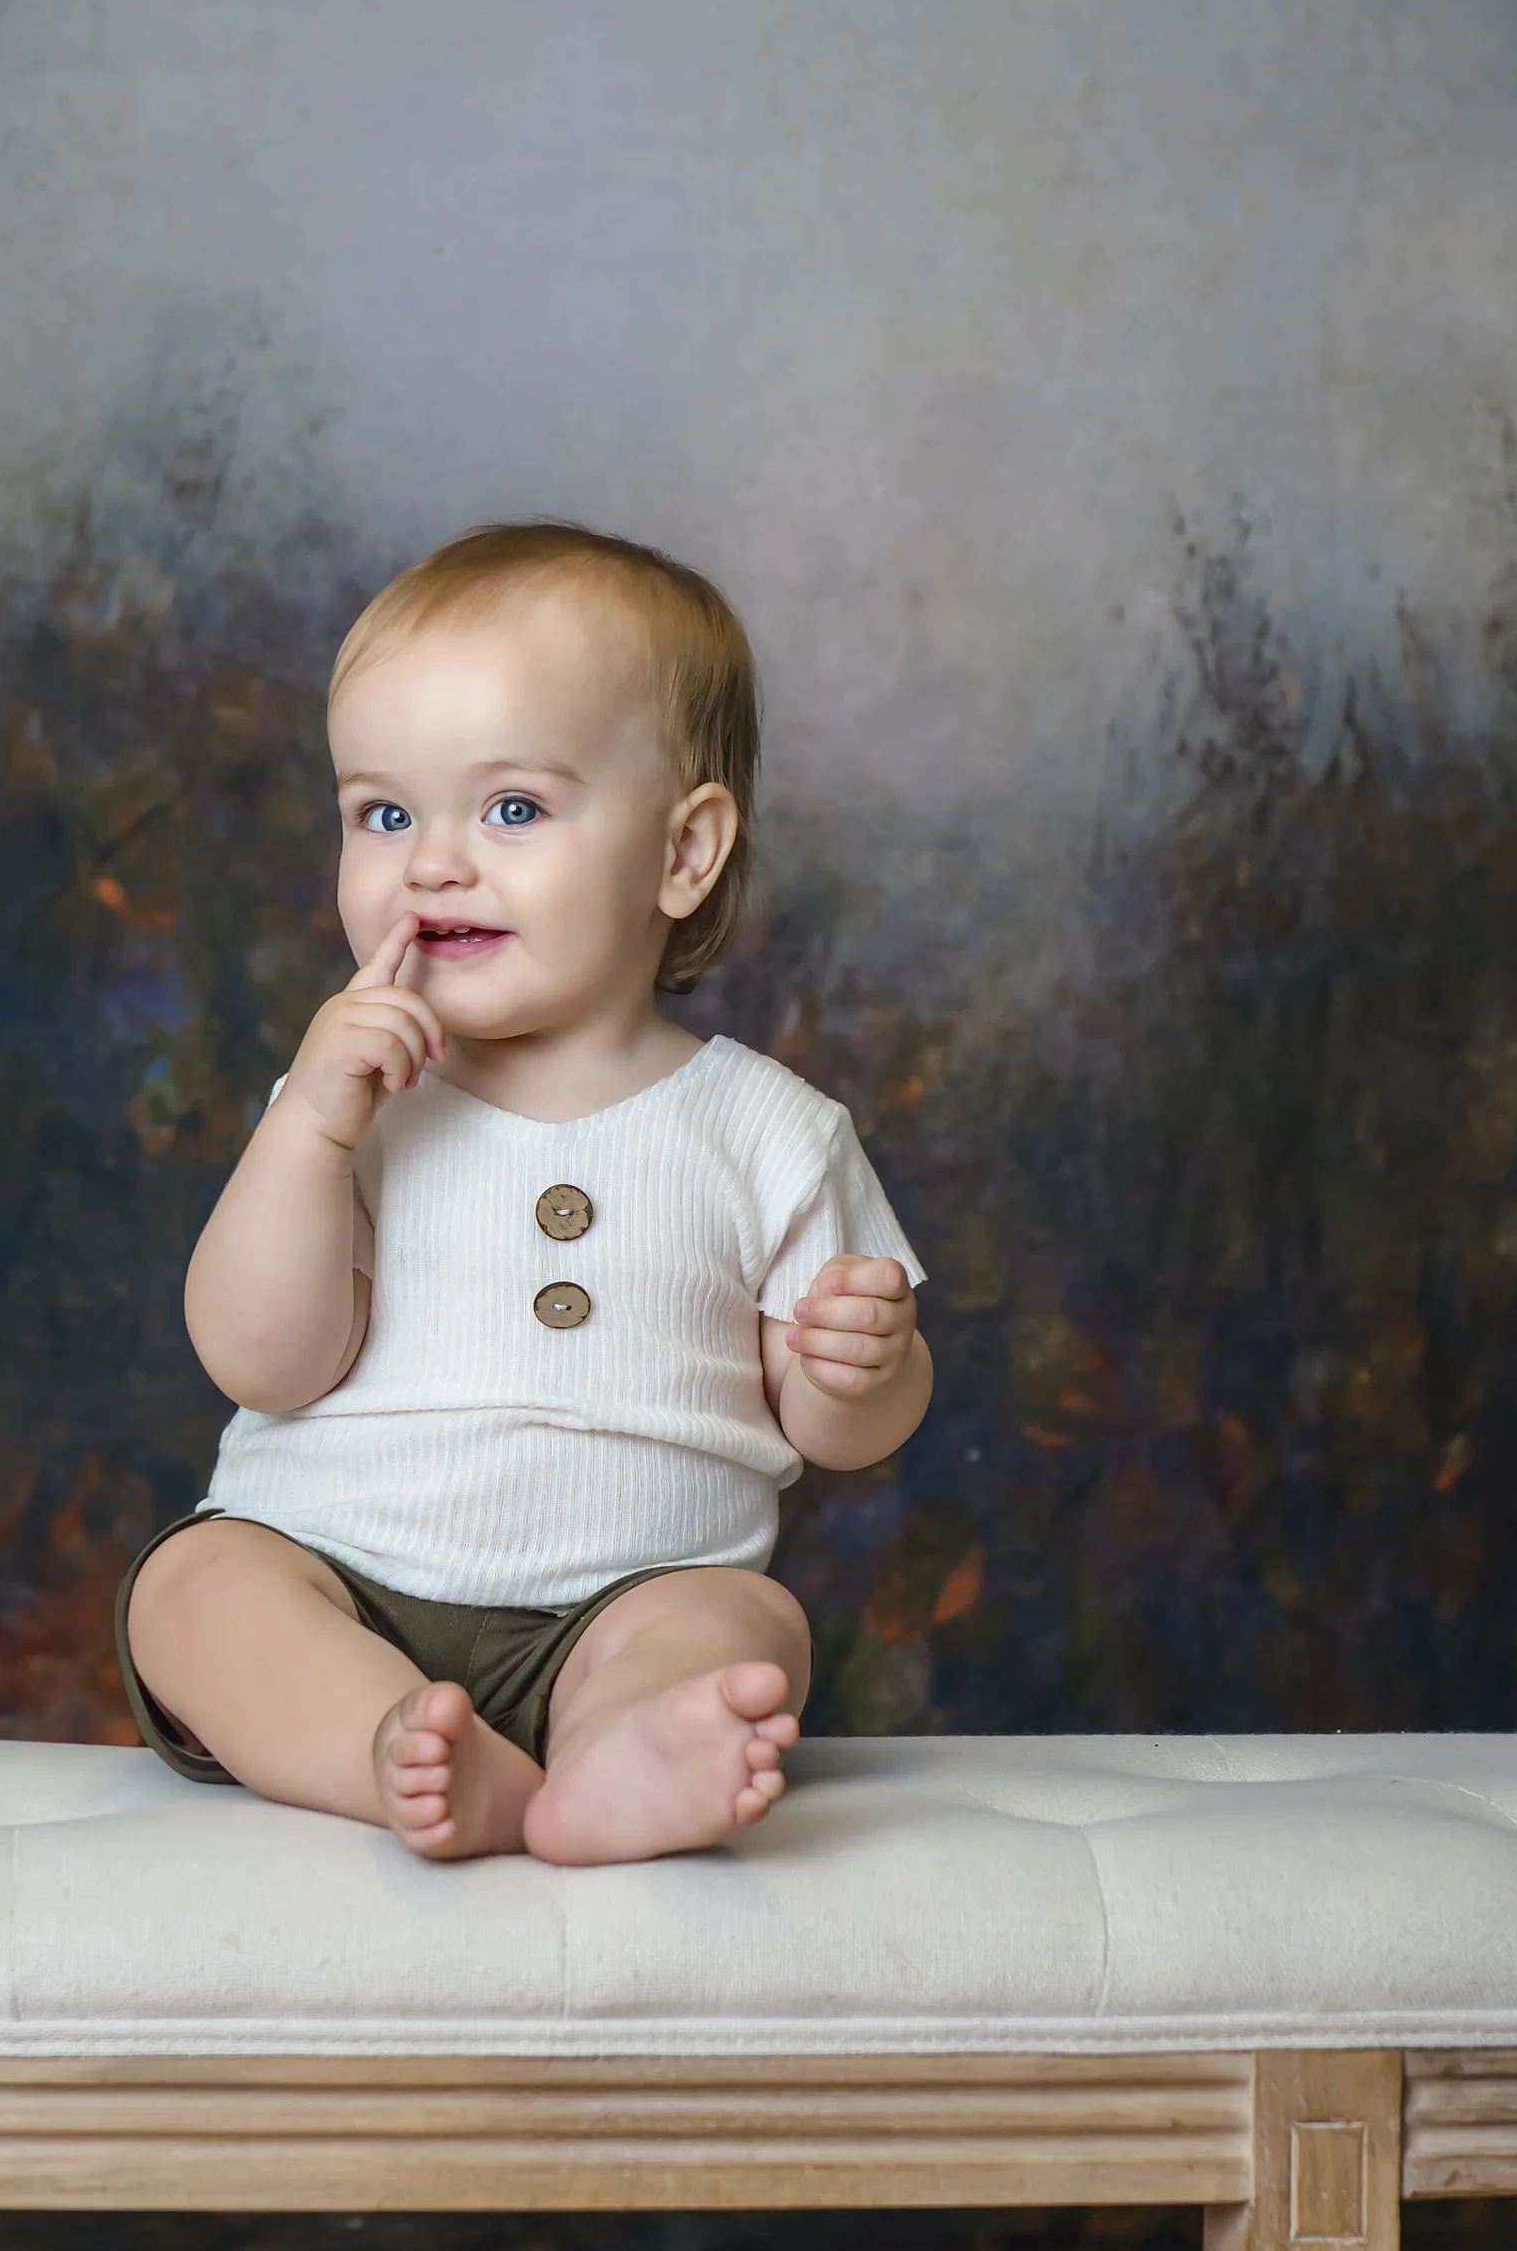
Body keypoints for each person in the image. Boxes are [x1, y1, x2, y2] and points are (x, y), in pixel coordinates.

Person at [117, 520, 930, 1863]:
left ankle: (612, 1760)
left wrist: (858, 1368)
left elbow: (846, 1428)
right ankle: (391, 1746)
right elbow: (260, 1358)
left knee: (746, 1627)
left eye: (510, 809)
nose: (432, 863)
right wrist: (310, 1134)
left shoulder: (767, 1128)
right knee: (196, 1586)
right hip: (343, 1575)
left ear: (683, 853)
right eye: (385, 813)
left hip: (627, 1597)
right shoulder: (348, 1100)